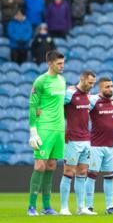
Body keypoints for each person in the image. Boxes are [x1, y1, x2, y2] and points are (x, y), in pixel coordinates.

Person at [27, 50, 66, 216]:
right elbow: (33, 106)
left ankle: (47, 206)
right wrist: (33, 132)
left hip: (59, 129)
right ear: (49, 63)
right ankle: (31, 207)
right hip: (44, 128)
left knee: (51, 165)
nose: (62, 66)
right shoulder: (40, 81)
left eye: (63, 63)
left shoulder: (62, 80)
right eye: (59, 63)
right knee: (40, 165)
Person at [59, 70, 97, 216]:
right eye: (90, 82)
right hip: (72, 139)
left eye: (93, 83)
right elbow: (58, 108)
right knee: (68, 172)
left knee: (82, 173)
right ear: (82, 79)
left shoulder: (88, 95)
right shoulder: (70, 93)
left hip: (86, 139)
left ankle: (81, 208)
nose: (92, 86)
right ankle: (63, 207)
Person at [84, 77, 113, 215]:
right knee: (92, 174)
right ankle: (88, 206)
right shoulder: (93, 100)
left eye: (111, 86)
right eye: (107, 87)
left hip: (110, 146)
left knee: (109, 176)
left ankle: (110, 206)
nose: (110, 89)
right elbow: (82, 113)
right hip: (95, 145)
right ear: (100, 88)